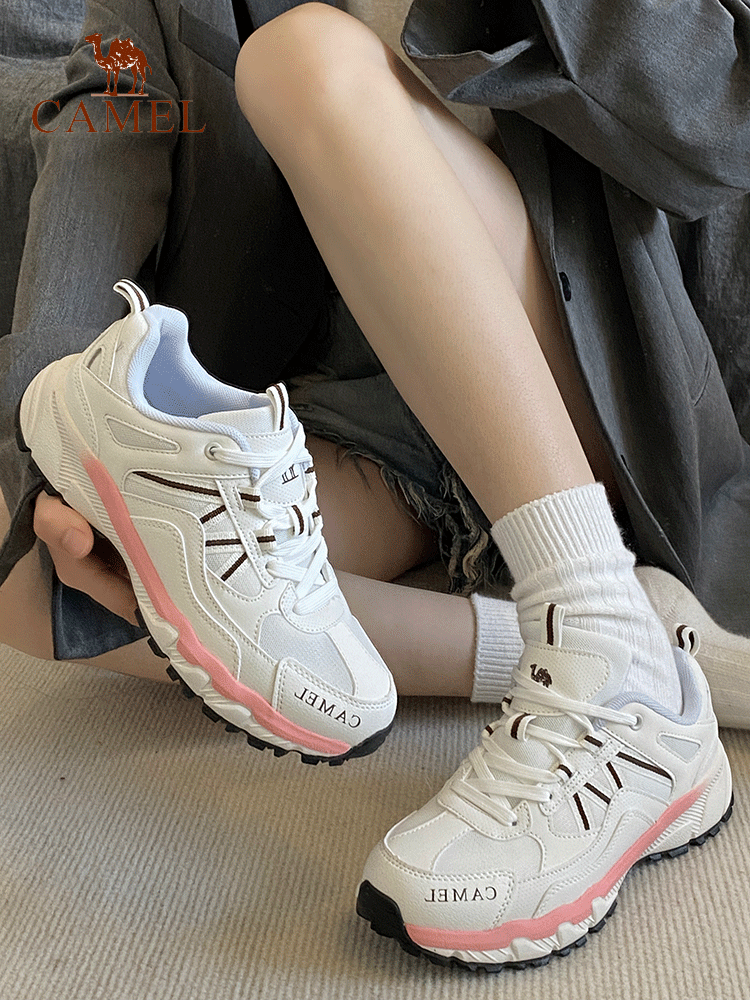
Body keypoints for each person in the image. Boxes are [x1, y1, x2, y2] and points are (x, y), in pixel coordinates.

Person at [227, 0, 749, 970]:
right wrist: (56, 417)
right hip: (375, 402)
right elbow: (108, 122)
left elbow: (720, 134)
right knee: (49, 559)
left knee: (303, 61)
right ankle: (621, 653)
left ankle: (594, 615)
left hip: (599, 365)